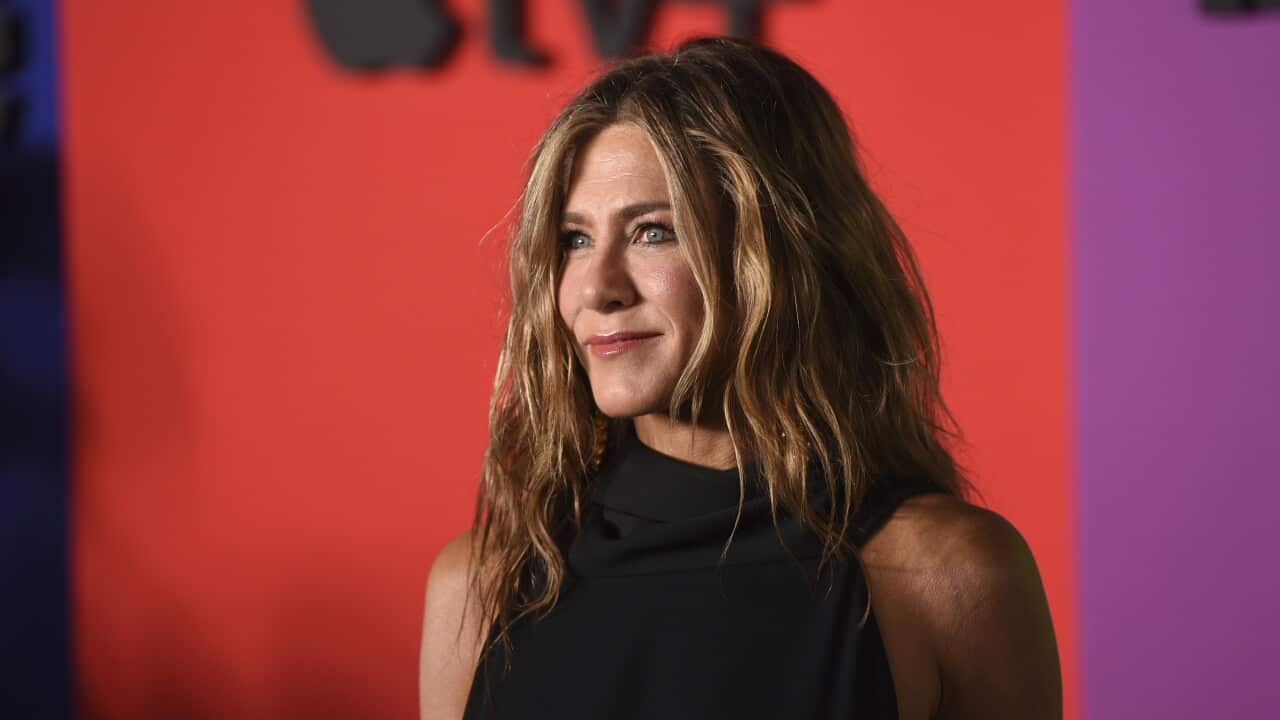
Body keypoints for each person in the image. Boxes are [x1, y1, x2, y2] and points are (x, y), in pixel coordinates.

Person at [419, 37, 1061, 719]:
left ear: (778, 254)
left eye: (653, 231)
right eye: (575, 239)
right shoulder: (481, 584)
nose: (596, 288)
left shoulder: (945, 573)